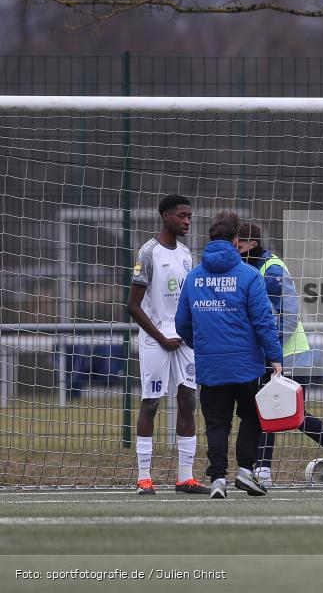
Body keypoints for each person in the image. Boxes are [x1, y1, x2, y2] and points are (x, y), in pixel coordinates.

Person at [236, 223, 323, 486]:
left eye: (239, 246)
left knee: (278, 411)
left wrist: (271, 348)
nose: (236, 251)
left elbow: (290, 317)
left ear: (252, 244)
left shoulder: (273, 269)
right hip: (273, 355)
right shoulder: (254, 269)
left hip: (288, 354)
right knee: (281, 412)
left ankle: (264, 471)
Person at [175, 212, 283, 499]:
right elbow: (263, 321)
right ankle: (246, 471)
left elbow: (182, 323)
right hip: (247, 364)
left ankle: (218, 478)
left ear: (210, 239)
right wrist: (275, 358)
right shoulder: (249, 276)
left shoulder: (194, 277)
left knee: (216, 423)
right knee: (252, 415)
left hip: (211, 364)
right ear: (236, 240)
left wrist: (202, 345)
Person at [126, 194, 208, 496]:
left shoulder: (186, 254)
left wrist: (189, 332)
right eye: (182, 216)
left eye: (189, 216)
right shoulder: (148, 252)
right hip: (155, 340)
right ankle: (144, 478)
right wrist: (161, 337)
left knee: (188, 401)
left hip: (184, 340)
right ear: (165, 216)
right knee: (151, 403)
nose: (187, 221)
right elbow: (133, 305)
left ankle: (185, 477)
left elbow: (189, 300)